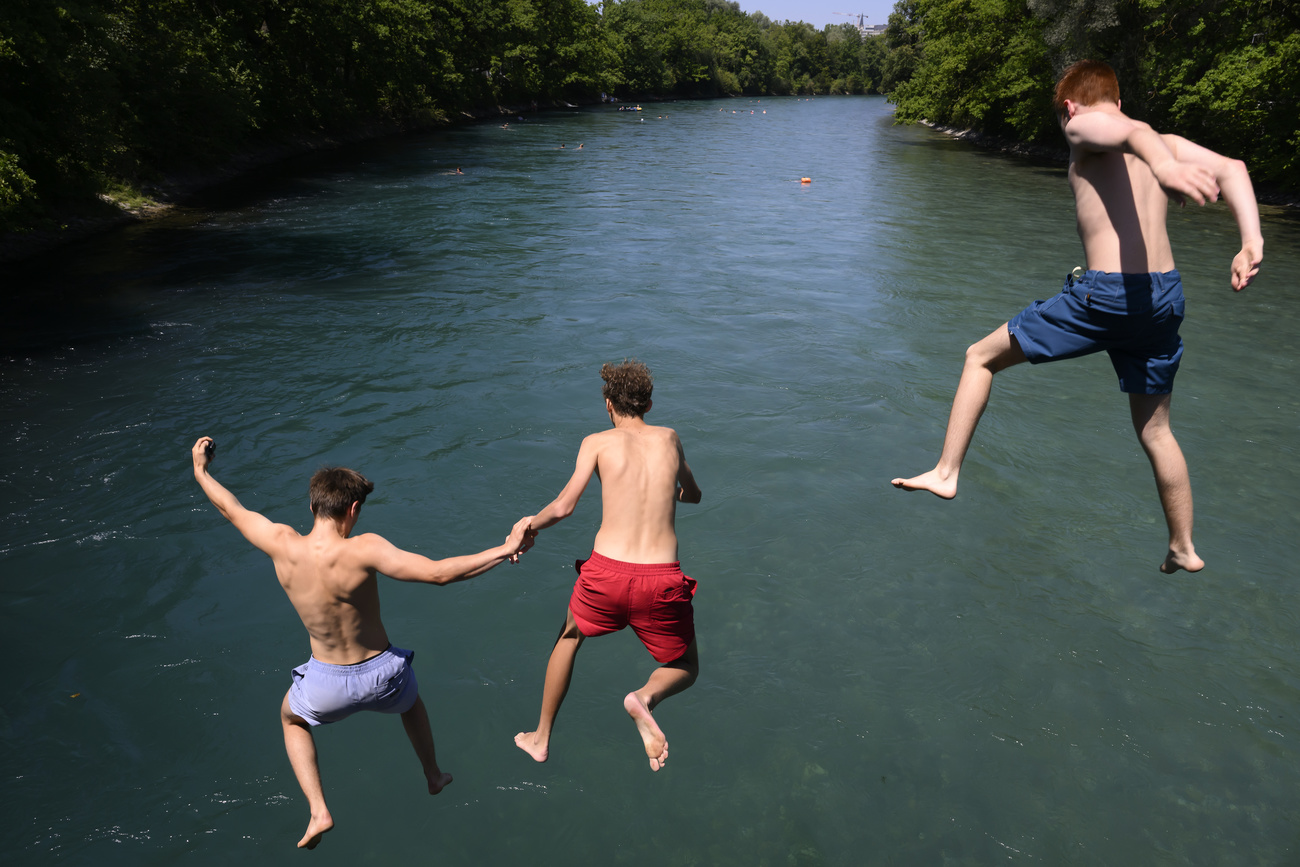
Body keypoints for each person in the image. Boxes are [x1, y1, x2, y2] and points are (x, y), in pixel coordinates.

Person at [890, 60, 1263, 574]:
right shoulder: (1169, 141)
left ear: (1070, 106)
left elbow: (1130, 130)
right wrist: (1251, 241)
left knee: (979, 358)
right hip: (1163, 301)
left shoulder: (1083, 128)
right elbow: (1234, 169)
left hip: (1106, 298)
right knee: (1157, 432)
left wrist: (1165, 168)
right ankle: (1183, 545)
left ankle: (946, 471)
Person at [190, 437, 532, 849]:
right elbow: (440, 573)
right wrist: (505, 548)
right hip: (383, 676)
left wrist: (200, 471)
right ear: (353, 510)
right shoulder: (364, 549)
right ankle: (433, 775)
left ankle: (318, 809)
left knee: (291, 719)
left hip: (324, 685)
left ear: (312, 506)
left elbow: (233, 509)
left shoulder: (281, 544)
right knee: (411, 701)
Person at [513, 361, 702, 771]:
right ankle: (644, 699)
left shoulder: (596, 442)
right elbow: (694, 494)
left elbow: (563, 507)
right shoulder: (670, 439)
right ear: (649, 404)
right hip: (661, 579)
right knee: (686, 666)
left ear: (608, 405)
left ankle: (541, 738)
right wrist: (675, 495)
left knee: (568, 638)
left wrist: (526, 526)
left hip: (606, 574)